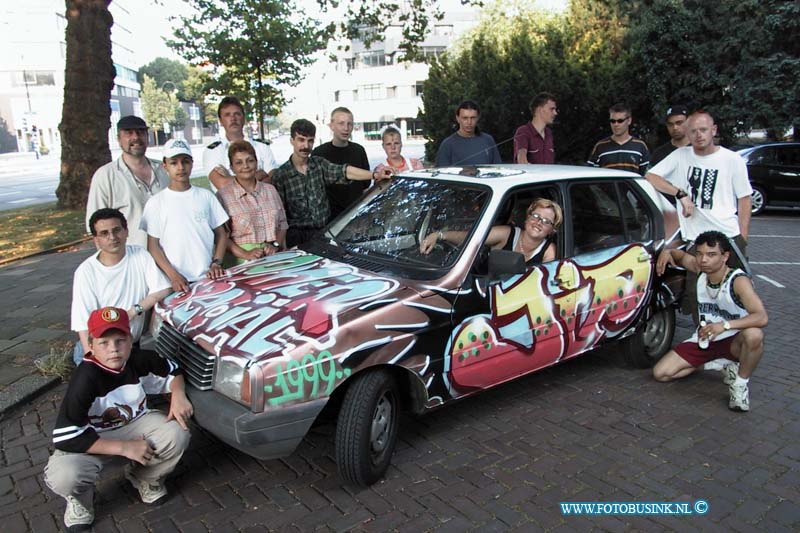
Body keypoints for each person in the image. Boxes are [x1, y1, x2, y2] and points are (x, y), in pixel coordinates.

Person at [43, 307, 192, 530]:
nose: (114, 349)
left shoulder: (139, 359)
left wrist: (178, 395)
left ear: (130, 340)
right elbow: (66, 436)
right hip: (92, 438)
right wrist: (124, 448)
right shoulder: (85, 377)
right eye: (104, 343)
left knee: (177, 432)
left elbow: (173, 370)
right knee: (65, 474)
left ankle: (145, 477)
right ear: (91, 346)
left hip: (134, 424)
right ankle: (81, 501)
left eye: (120, 340)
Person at [653, 231, 768, 412]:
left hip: (733, 340)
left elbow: (761, 316)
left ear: (725, 256)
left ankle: (740, 384)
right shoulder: (700, 270)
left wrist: (724, 326)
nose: (703, 259)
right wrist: (668, 251)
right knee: (662, 373)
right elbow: (681, 256)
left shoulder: (738, 281)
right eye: (699, 254)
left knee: (754, 335)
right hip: (706, 339)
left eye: (711, 254)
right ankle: (719, 363)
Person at [645, 110, 752, 265]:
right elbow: (651, 176)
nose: (698, 135)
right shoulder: (680, 155)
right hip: (696, 241)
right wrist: (680, 194)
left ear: (713, 130)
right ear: (688, 134)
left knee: (732, 286)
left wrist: (743, 238)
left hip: (727, 236)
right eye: (693, 131)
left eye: (703, 130)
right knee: (696, 288)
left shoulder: (732, 159)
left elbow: (744, 199)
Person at [71, 208, 171, 365]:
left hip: (128, 346)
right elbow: (82, 322)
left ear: (126, 231)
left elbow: (162, 289)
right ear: (96, 240)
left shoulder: (140, 256)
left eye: (116, 230)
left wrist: (133, 311)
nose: (112, 237)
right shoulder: (86, 271)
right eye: (104, 233)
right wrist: (93, 358)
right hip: (100, 349)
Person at [272, 119, 393, 248]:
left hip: (323, 234)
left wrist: (374, 175)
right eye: (301, 140)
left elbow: (344, 172)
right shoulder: (281, 176)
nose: (306, 146)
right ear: (292, 141)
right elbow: (280, 218)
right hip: (296, 238)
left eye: (310, 141)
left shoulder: (319, 164)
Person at [140, 139, 229, 292]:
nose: (181, 168)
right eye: (174, 162)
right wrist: (173, 275)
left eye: (185, 161)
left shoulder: (205, 196)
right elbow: (153, 246)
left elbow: (221, 233)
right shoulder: (156, 203)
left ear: (192, 163)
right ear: (165, 166)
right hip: (174, 282)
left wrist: (217, 262)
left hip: (208, 278)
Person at [86, 115, 170, 247]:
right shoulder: (106, 176)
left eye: (140, 132)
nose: (136, 137)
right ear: (119, 139)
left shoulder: (165, 169)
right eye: (129, 133)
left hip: (170, 255)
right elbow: (96, 226)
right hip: (132, 258)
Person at [420, 198, 561, 265]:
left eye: (546, 221)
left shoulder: (549, 251)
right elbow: (472, 238)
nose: (538, 222)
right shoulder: (507, 233)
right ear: (527, 217)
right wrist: (439, 235)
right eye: (535, 216)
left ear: (551, 230)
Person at [217, 140, 288, 265]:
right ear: (232, 167)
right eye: (239, 162)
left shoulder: (270, 190)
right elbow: (221, 237)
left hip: (274, 257)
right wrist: (246, 254)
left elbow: (283, 223)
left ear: (256, 163)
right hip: (242, 261)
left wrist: (275, 245)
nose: (246, 166)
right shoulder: (224, 196)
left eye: (250, 160)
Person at [203, 96, 278, 193]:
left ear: (243, 118)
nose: (233, 118)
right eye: (227, 115)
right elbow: (222, 184)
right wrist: (258, 175)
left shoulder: (262, 147)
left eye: (237, 114)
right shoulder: (212, 152)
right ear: (221, 121)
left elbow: (273, 180)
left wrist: (230, 177)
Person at [312, 107, 371, 218]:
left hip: (356, 215)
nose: (346, 128)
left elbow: (365, 185)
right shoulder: (319, 153)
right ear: (332, 125)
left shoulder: (359, 150)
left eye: (350, 124)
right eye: (341, 123)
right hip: (329, 219)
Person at [587, 103, 650, 175]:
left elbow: (646, 176)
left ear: (629, 121)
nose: (616, 124)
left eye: (620, 121)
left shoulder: (640, 146)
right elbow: (591, 175)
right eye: (612, 121)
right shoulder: (600, 146)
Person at [436, 100, 502, 167]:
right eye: (465, 118)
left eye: (473, 118)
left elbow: (498, 169)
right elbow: (441, 174)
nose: (469, 122)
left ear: (478, 118)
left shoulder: (488, 140)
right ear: (458, 118)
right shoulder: (447, 144)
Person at [514, 92, 557, 164]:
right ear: (540, 110)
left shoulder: (549, 133)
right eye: (551, 109)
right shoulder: (523, 131)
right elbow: (521, 155)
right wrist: (522, 160)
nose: (555, 113)